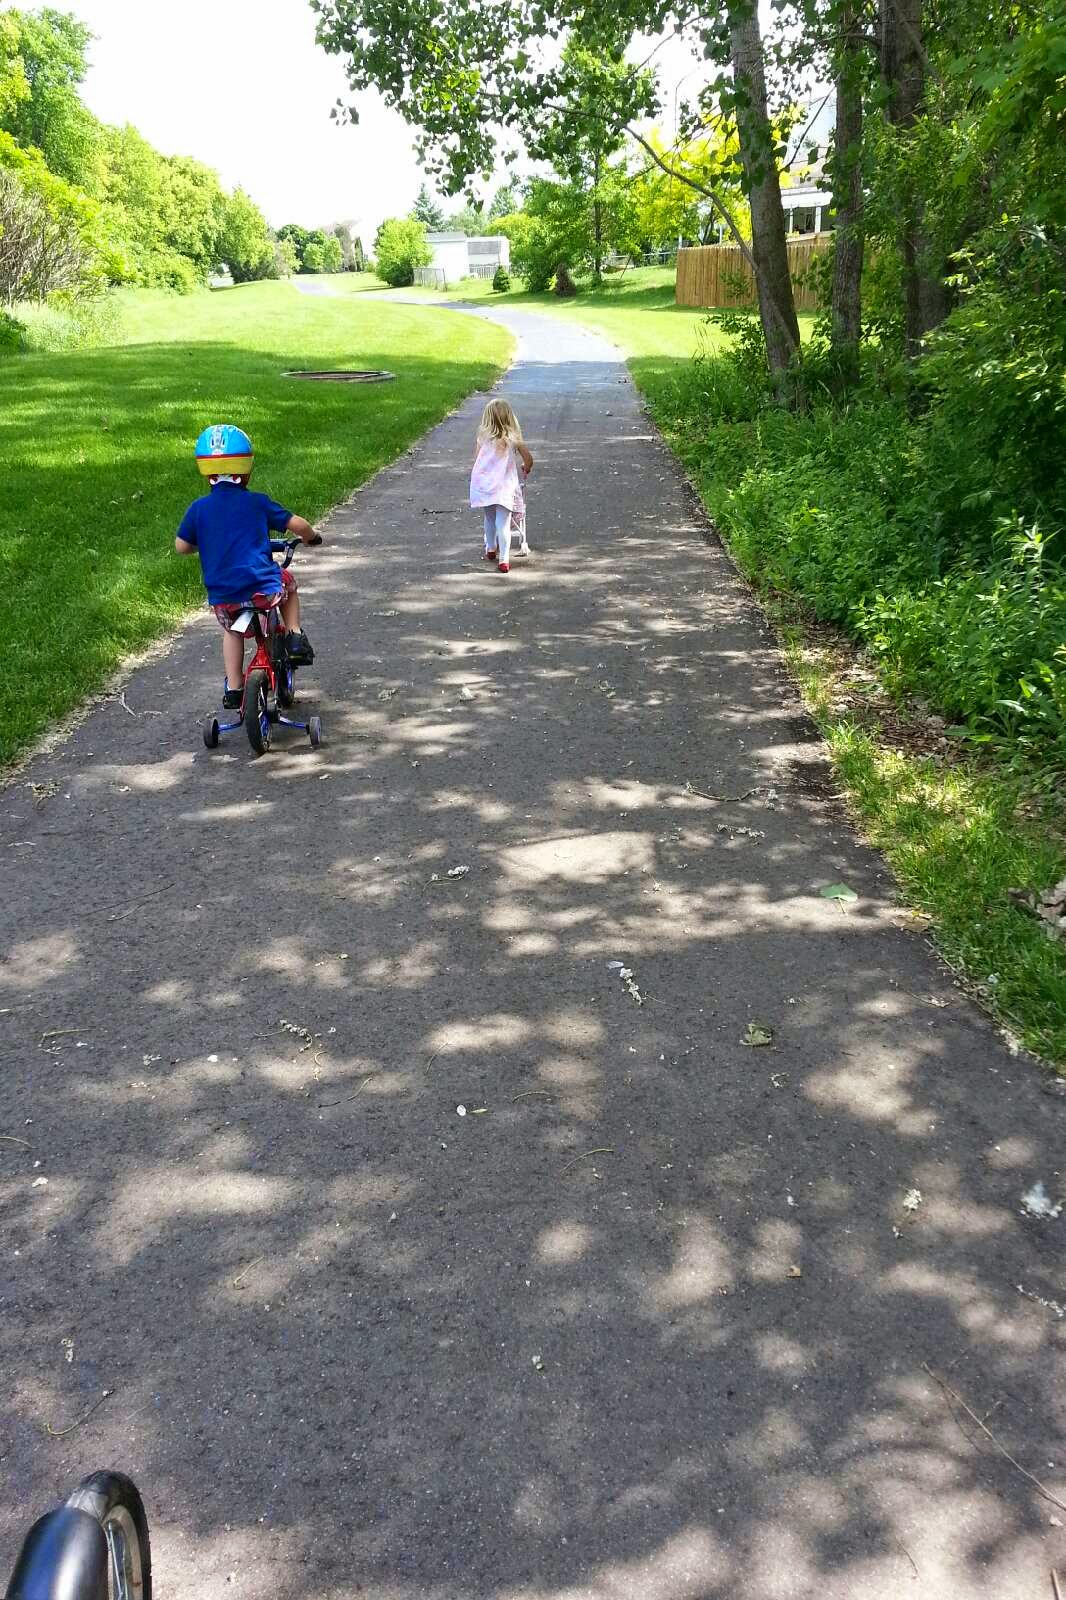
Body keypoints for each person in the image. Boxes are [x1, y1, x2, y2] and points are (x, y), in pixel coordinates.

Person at [175, 424, 320, 709]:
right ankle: (294, 635)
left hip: (224, 597)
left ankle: (234, 687)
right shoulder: (257, 502)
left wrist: (203, 543)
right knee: (288, 583)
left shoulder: (198, 508)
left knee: (232, 632)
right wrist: (311, 537)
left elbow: (182, 546)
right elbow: (299, 525)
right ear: (246, 468)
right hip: (262, 591)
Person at [469, 399, 533, 573]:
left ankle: (491, 548)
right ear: (509, 417)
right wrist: (526, 467)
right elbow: (528, 459)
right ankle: (504, 560)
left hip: (485, 485)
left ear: (487, 418)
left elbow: (476, 460)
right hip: (504, 486)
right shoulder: (514, 438)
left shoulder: (482, 437)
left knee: (489, 518)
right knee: (502, 522)